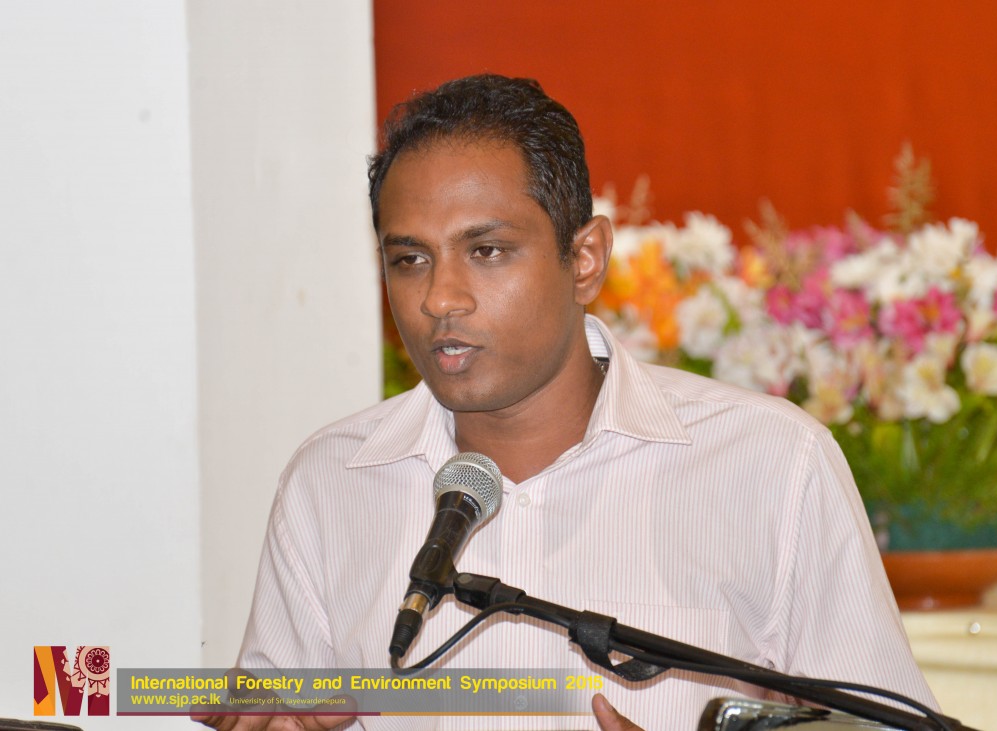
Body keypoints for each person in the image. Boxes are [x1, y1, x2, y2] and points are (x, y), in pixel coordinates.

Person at [196, 74, 937, 731]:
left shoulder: (771, 464)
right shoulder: (330, 483)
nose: (439, 299)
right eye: (410, 259)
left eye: (487, 251)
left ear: (584, 260)